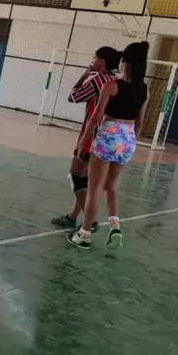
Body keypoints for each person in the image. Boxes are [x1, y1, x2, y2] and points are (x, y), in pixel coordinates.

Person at [67, 41, 150, 250]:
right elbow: (140, 122)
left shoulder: (112, 86)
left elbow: (96, 118)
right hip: (128, 137)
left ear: (125, 63)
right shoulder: (144, 90)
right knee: (111, 186)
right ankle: (115, 227)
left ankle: (84, 234)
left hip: (109, 135)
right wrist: (131, 142)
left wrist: (82, 143)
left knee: (95, 188)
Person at [51, 46, 120, 232]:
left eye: (94, 58)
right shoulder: (115, 81)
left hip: (91, 136)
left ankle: (91, 220)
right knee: (85, 180)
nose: (92, 61)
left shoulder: (97, 81)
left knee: (75, 176)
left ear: (102, 62)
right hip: (108, 136)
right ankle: (72, 217)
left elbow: (73, 97)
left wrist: (84, 75)